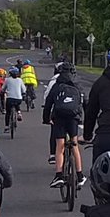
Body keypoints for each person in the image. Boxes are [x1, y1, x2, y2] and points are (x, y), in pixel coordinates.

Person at [43, 61, 86, 189]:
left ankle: (59, 176)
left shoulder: (57, 86)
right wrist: (84, 119)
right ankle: (80, 175)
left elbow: (48, 104)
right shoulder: (77, 86)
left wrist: (46, 119)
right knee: (74, 145)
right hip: (73, 118)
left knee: (60, 146)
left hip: (59, 118)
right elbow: (85, 102)